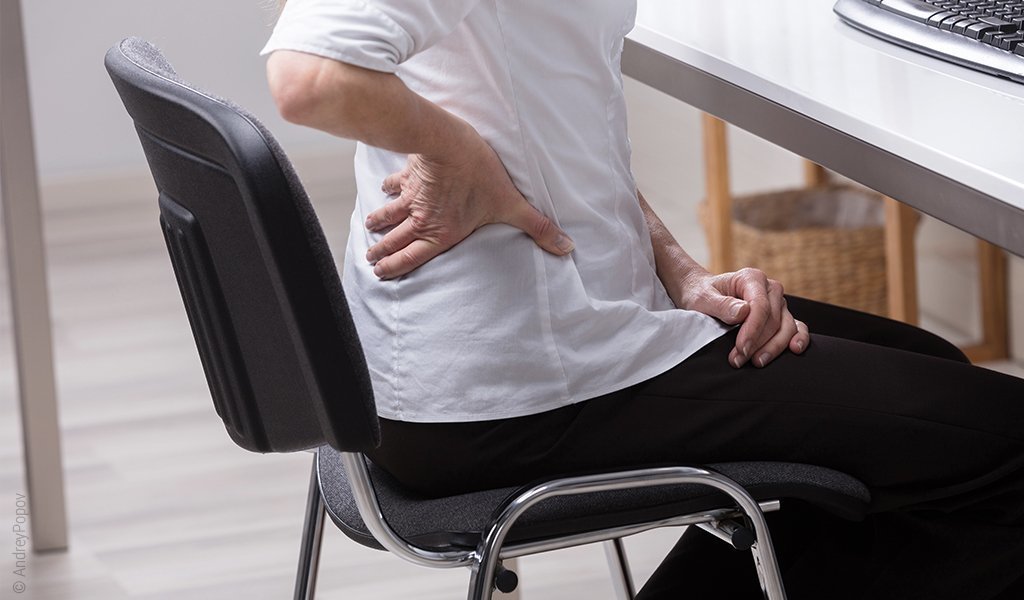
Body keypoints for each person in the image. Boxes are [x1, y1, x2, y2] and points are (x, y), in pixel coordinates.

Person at [261, 1, 1024, 597]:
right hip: (516, 392)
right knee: (1002, 449)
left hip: (490, 362)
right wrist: (456, 151)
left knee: (927, 367)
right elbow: (310, 77)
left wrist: (679, 271)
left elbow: (558, 132)